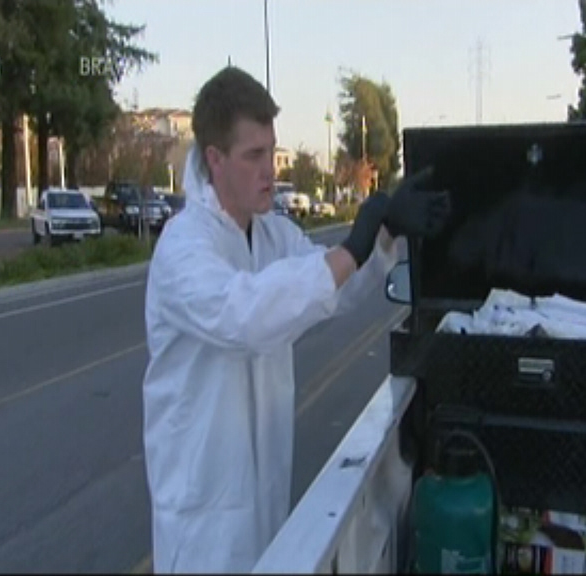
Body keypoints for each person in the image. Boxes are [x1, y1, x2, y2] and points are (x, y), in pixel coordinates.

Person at [141, 66, 450, 574]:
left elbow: (331, 290)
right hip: (203, 521)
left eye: (271, 150)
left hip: (263, 500)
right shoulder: (184, 248)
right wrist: (350, 249)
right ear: (215, 159)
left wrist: (384, 235)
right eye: (253, 155)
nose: (270, 169)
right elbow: (246, 316)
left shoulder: (271, 234)